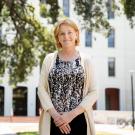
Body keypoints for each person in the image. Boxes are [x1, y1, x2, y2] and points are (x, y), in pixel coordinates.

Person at [38, 19, 98, 135]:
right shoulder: (49, 59)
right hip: (54, 121)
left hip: (80, 120)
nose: (66, 36)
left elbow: (94, 92)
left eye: (69, 32)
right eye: (62, 33)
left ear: (76, 34)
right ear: (58, 38)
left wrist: (70, 115)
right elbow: (42, 89)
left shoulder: (86, 60)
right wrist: (57, 117)